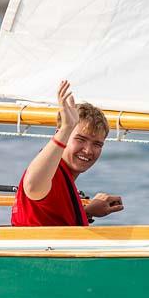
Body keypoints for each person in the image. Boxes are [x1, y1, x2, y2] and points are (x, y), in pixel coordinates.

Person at [11, 81, 124, 226]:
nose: (88, 150)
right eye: (80, 139)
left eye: (97, 144)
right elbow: (33, 186)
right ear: (60, 134)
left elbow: (52, 215)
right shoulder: (49, 173)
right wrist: (66, 128)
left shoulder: (63, 175)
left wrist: (86, 212)